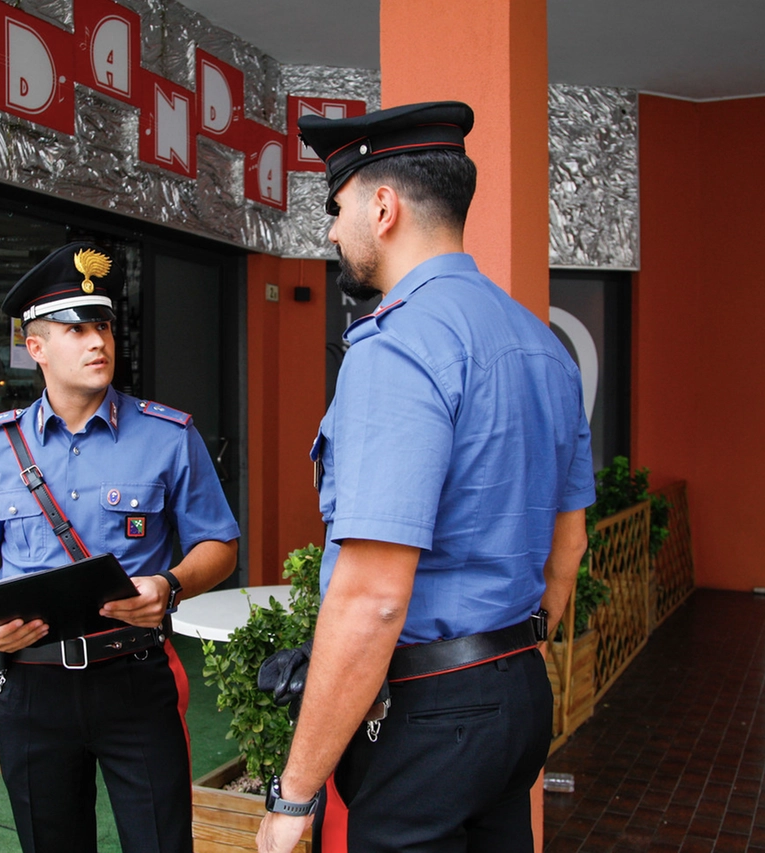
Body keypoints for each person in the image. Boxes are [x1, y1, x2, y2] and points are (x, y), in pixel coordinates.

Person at [256, 102, 596, 852]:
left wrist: (294, 795)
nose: (333, 230)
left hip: (429, 714)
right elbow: (567, 549)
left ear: (383, 207)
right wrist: (499, 674)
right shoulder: (542, 346)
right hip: (516, 689)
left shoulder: (396, 348)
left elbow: (374, 597)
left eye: (337, 207)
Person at [0, 241, 240, 853]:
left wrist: (170, 585)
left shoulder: (167, 435)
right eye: (74, 329)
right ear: (36, 349)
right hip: (30, 684)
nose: (97, 340)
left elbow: (219, 543)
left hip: (134, 675)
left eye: (102, 324)